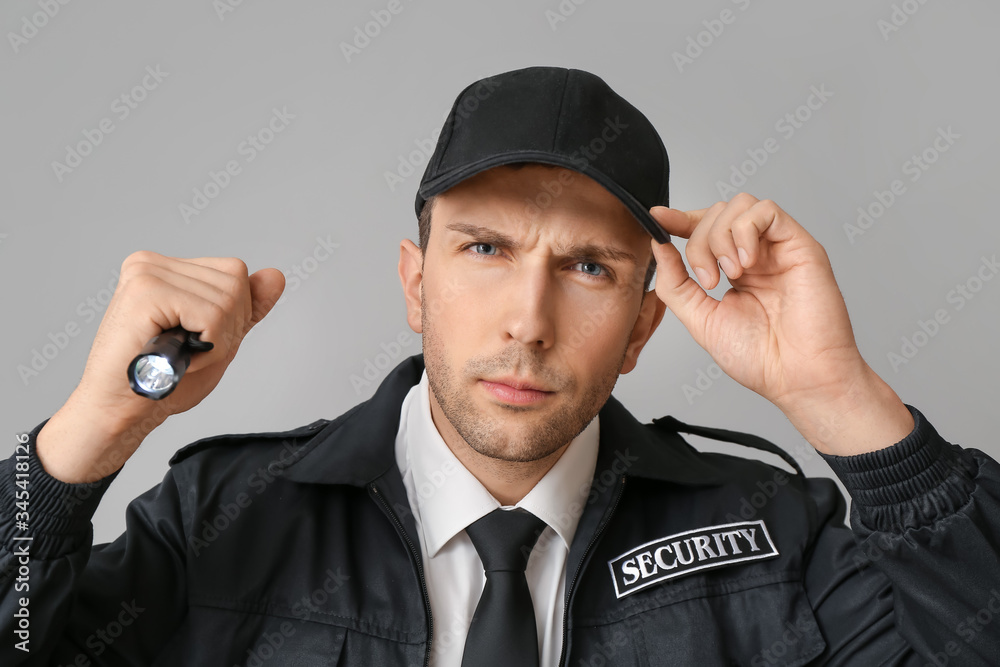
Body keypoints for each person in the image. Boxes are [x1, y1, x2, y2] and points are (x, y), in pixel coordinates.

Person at [2, 65, 998, 667]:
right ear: (416, 283)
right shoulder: (219, 518)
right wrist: (87, 436)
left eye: (589, 267)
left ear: (643, 326)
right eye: (484, 249)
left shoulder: (775, 541)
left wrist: (844, 402)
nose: (529, 320)